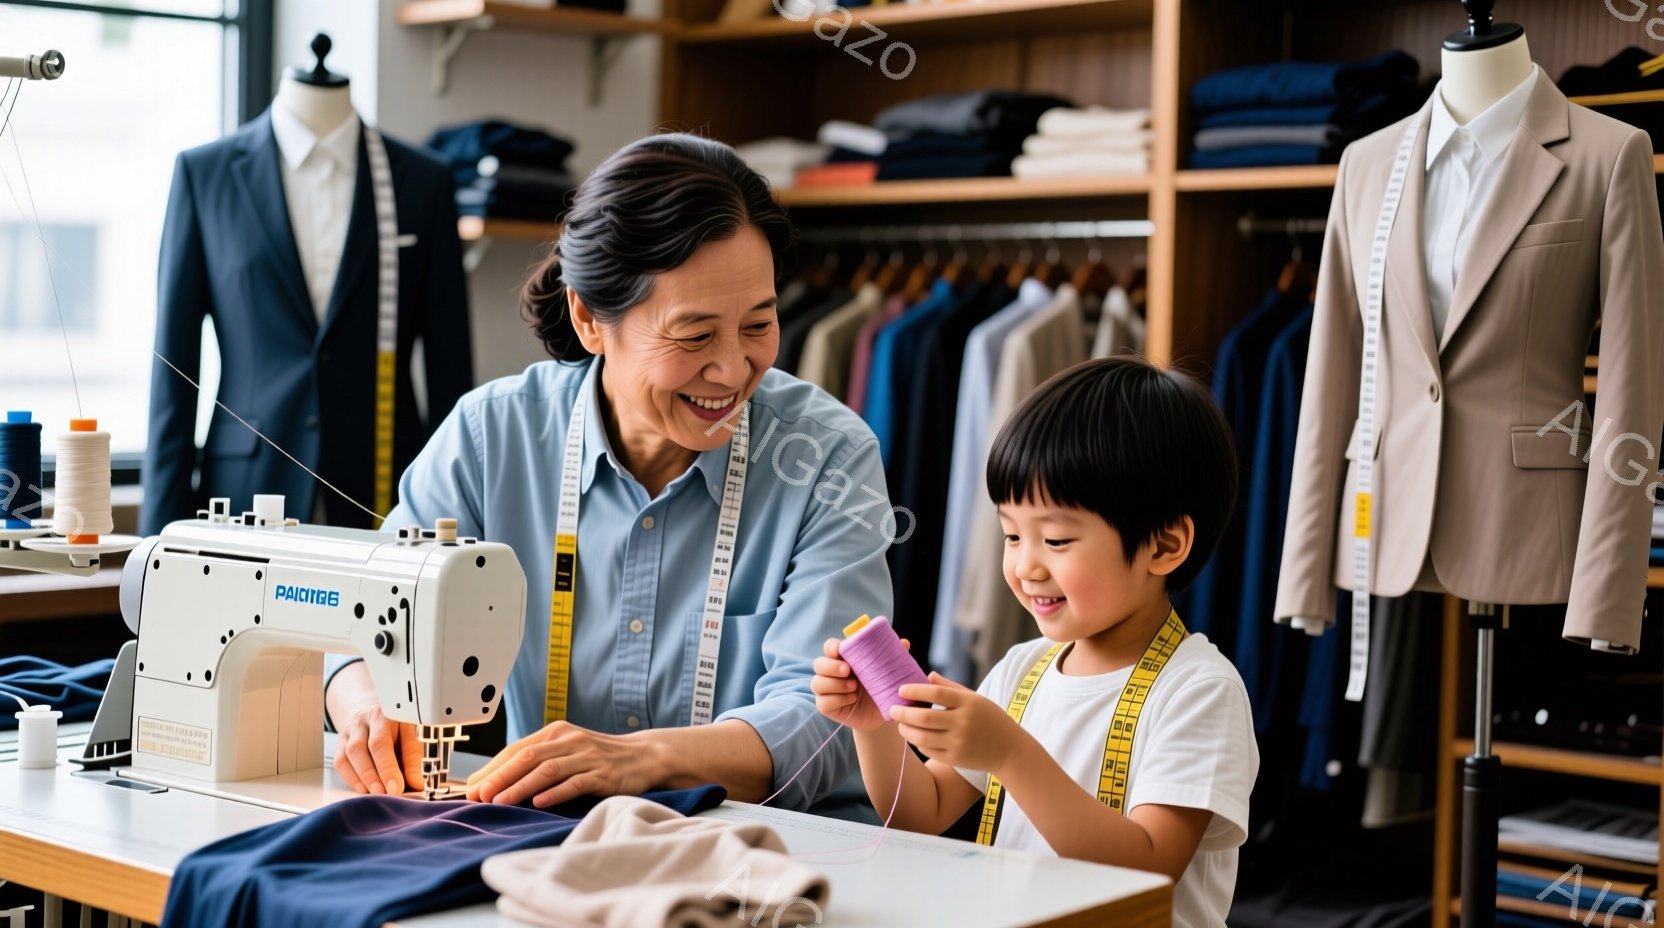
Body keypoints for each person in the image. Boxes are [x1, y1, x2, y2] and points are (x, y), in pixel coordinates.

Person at [325, 133, 894, 813]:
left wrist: (638, 761)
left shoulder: (827, 457)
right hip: (557, 841)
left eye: (759, 324)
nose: (733, 369)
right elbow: (360, 625)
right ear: (589, 318)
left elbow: (828, 719)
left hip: (776, 853)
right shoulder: (490, 437)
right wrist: (367, 701)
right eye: (694, 335)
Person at [813, 357, 1257, 928]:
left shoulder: (1198, 691)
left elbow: (1149, 868)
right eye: (1012, 534)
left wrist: (1010, 754)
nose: (1025, 566)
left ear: (1164, 546)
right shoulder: (1023, 669)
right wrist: (875, 730)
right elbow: (921, 813)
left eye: (1055, 538)